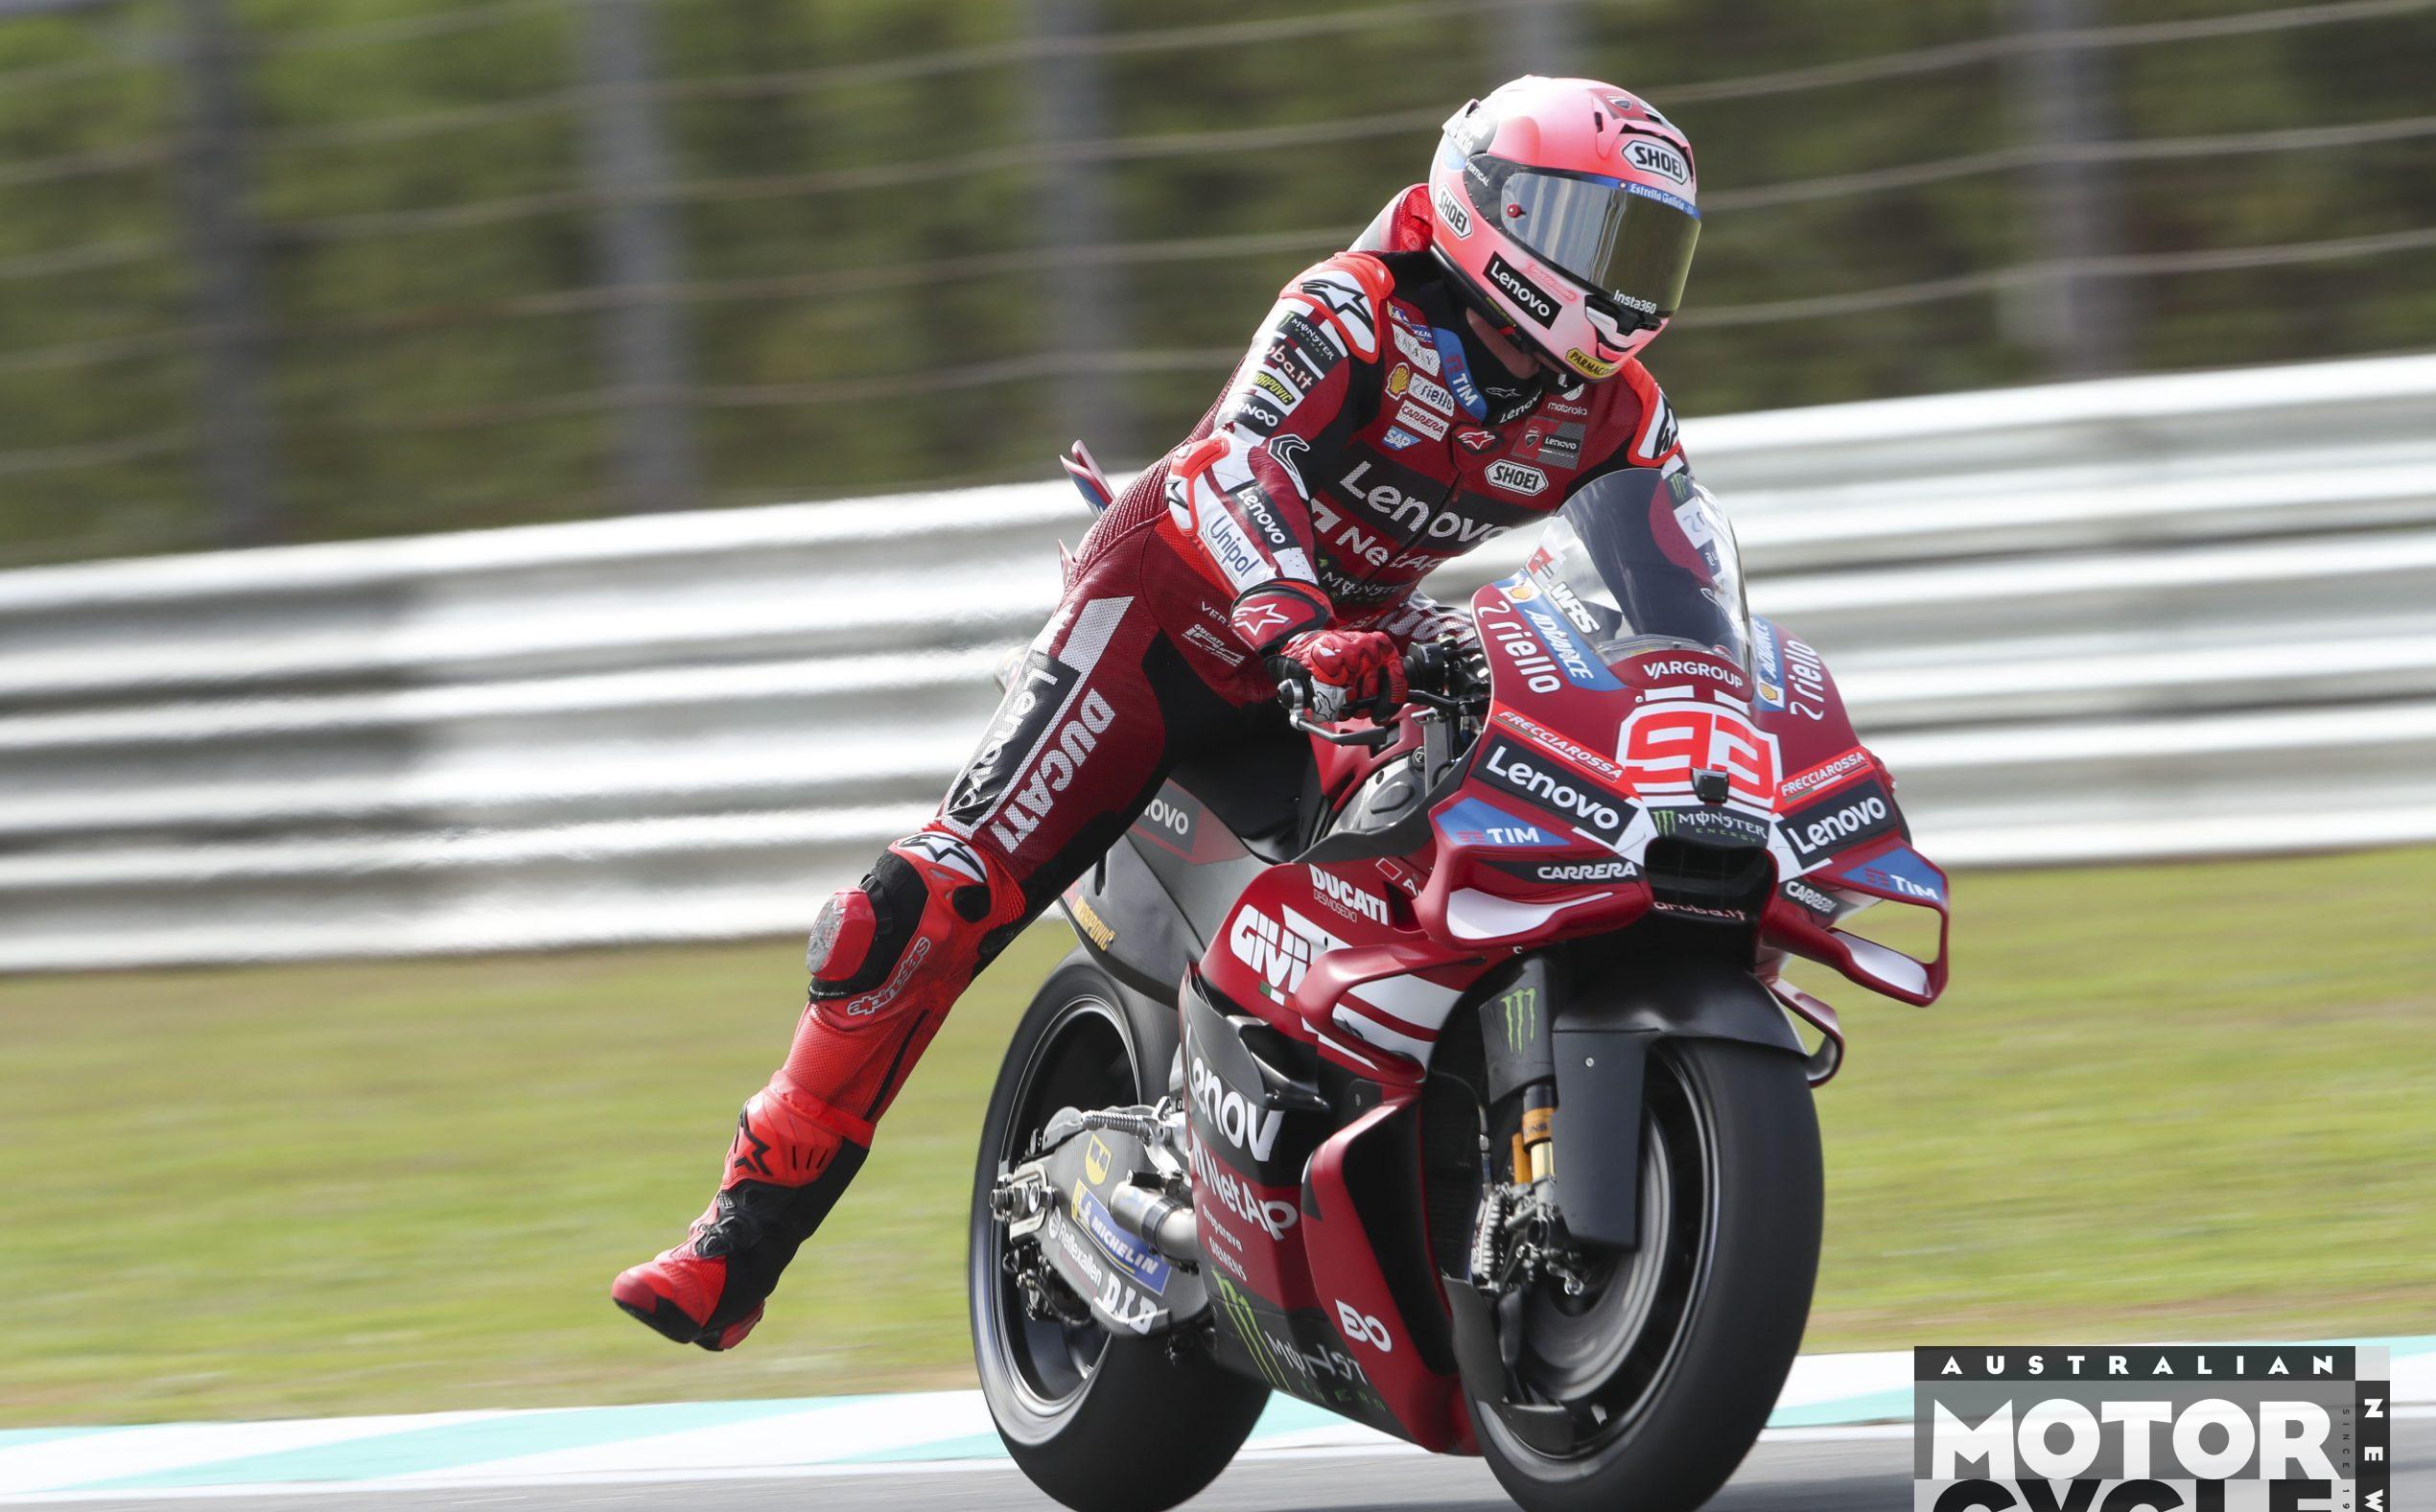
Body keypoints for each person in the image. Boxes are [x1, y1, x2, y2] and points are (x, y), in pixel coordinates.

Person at [614, 75, 1710, 1350]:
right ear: (1495, 209)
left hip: (1357, 646)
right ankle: (741, 1236)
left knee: (1489, 826)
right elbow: (1234, 466)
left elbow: (1675, 580)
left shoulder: (1616, 406)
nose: (1624, 280)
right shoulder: (1352, 311)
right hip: (1167, 623)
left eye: (1650, 248)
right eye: (1596, 233)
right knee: (914, 911)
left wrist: (1701, 682)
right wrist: (1294, 625)